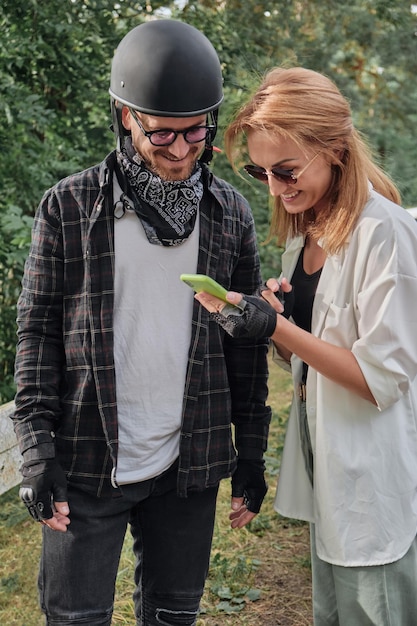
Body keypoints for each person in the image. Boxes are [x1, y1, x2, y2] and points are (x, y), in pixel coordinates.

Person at [12, 20, 271, 626]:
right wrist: (35, 450)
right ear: (125, 116)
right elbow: (38, 333)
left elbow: (245, 349)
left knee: (174, 616)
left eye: (195, 134)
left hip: (190, 463)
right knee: (75, 619)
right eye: (161, 135)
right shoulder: (69, 207)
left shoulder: (230, 213)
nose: (181, 152)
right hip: (85, 458)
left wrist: (252, 456)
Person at [195, 67, 417, 625]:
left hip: (375, 489)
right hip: (331, 484)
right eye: (260, 171)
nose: (274, 187)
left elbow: (381, 379)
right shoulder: (307, 239)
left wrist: (278, 329)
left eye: (287, 170)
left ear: (335, 149)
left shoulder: (385, 234)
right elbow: (312, 362)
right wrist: (276, 318)